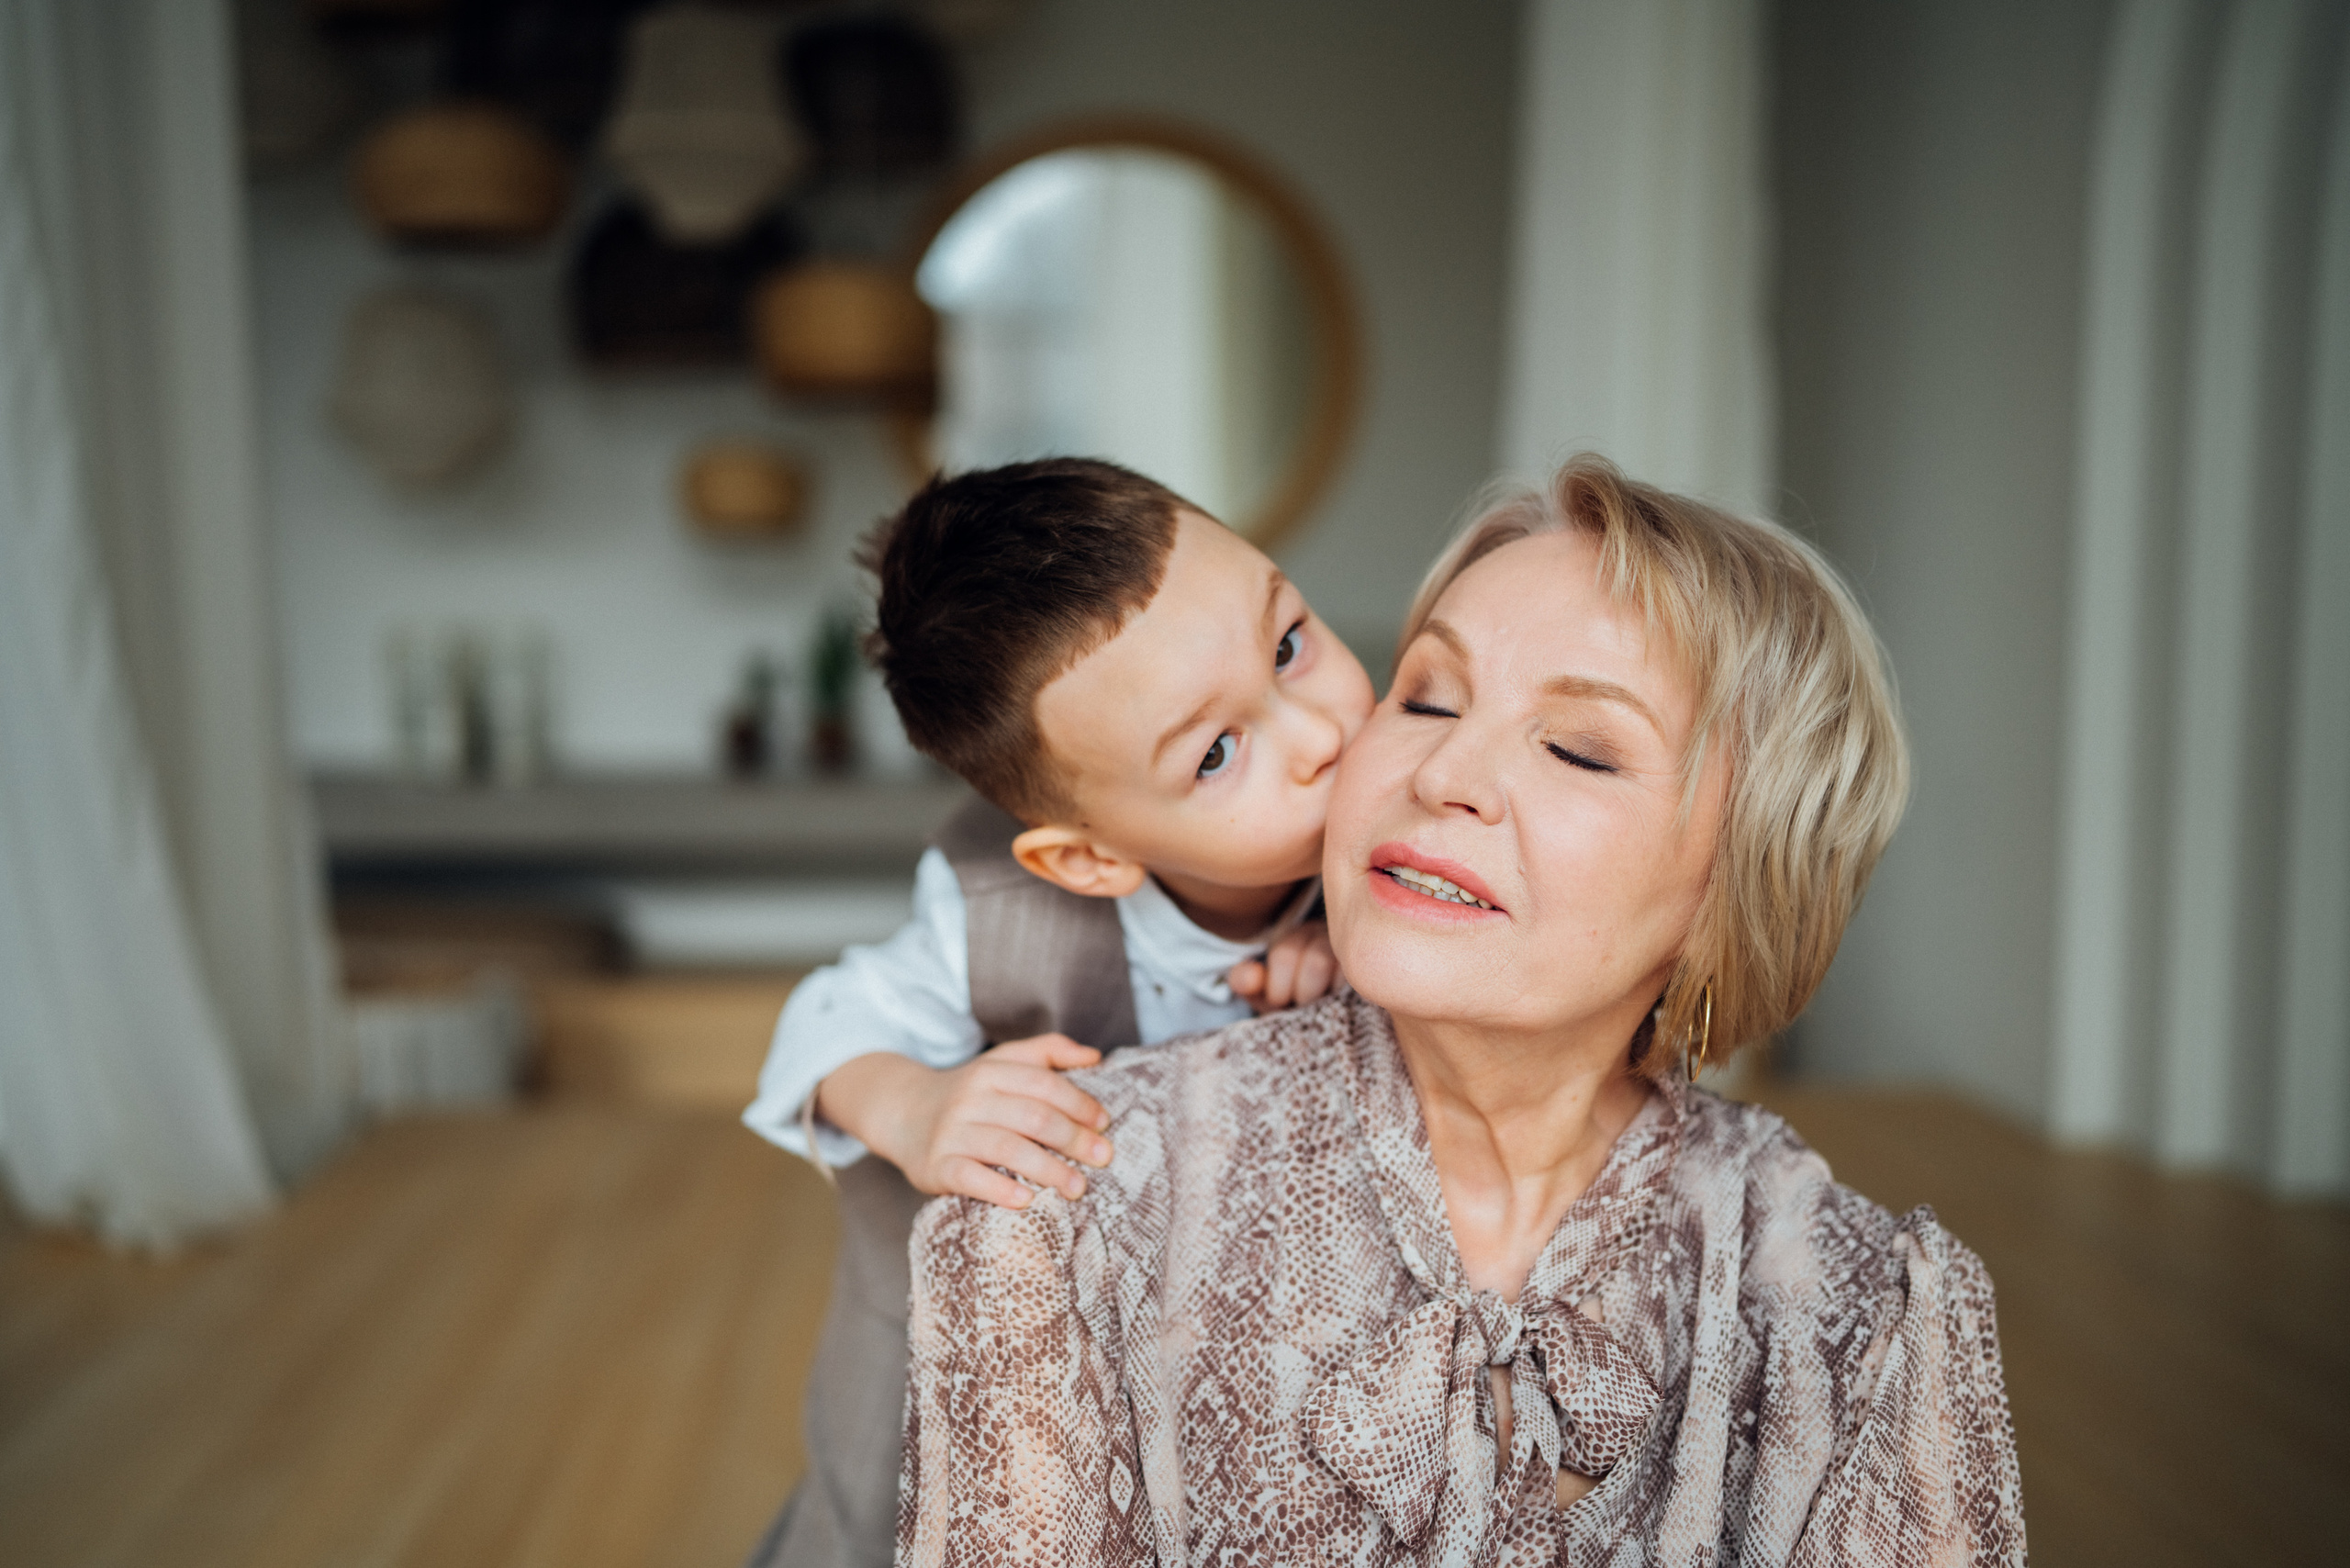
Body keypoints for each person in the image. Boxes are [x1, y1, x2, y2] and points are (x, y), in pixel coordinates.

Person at [900, 456, 2025, 1566]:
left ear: (1742, 878)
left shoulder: (1862, 1313)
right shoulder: (1056, 1208)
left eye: (1579, 749)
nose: (1442, 771)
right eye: (1427, 695)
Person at [741, 459, 1372, 1568]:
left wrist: (1359, 958)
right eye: (1216, 753)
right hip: (955, 1335)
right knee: (883, 1504)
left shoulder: (1392, 821)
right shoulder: (991, 908)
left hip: (1220, 1340)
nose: (1321, 733)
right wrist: (917, 1104)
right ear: (1086, 859)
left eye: (1287, 645)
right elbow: (825, 1020)